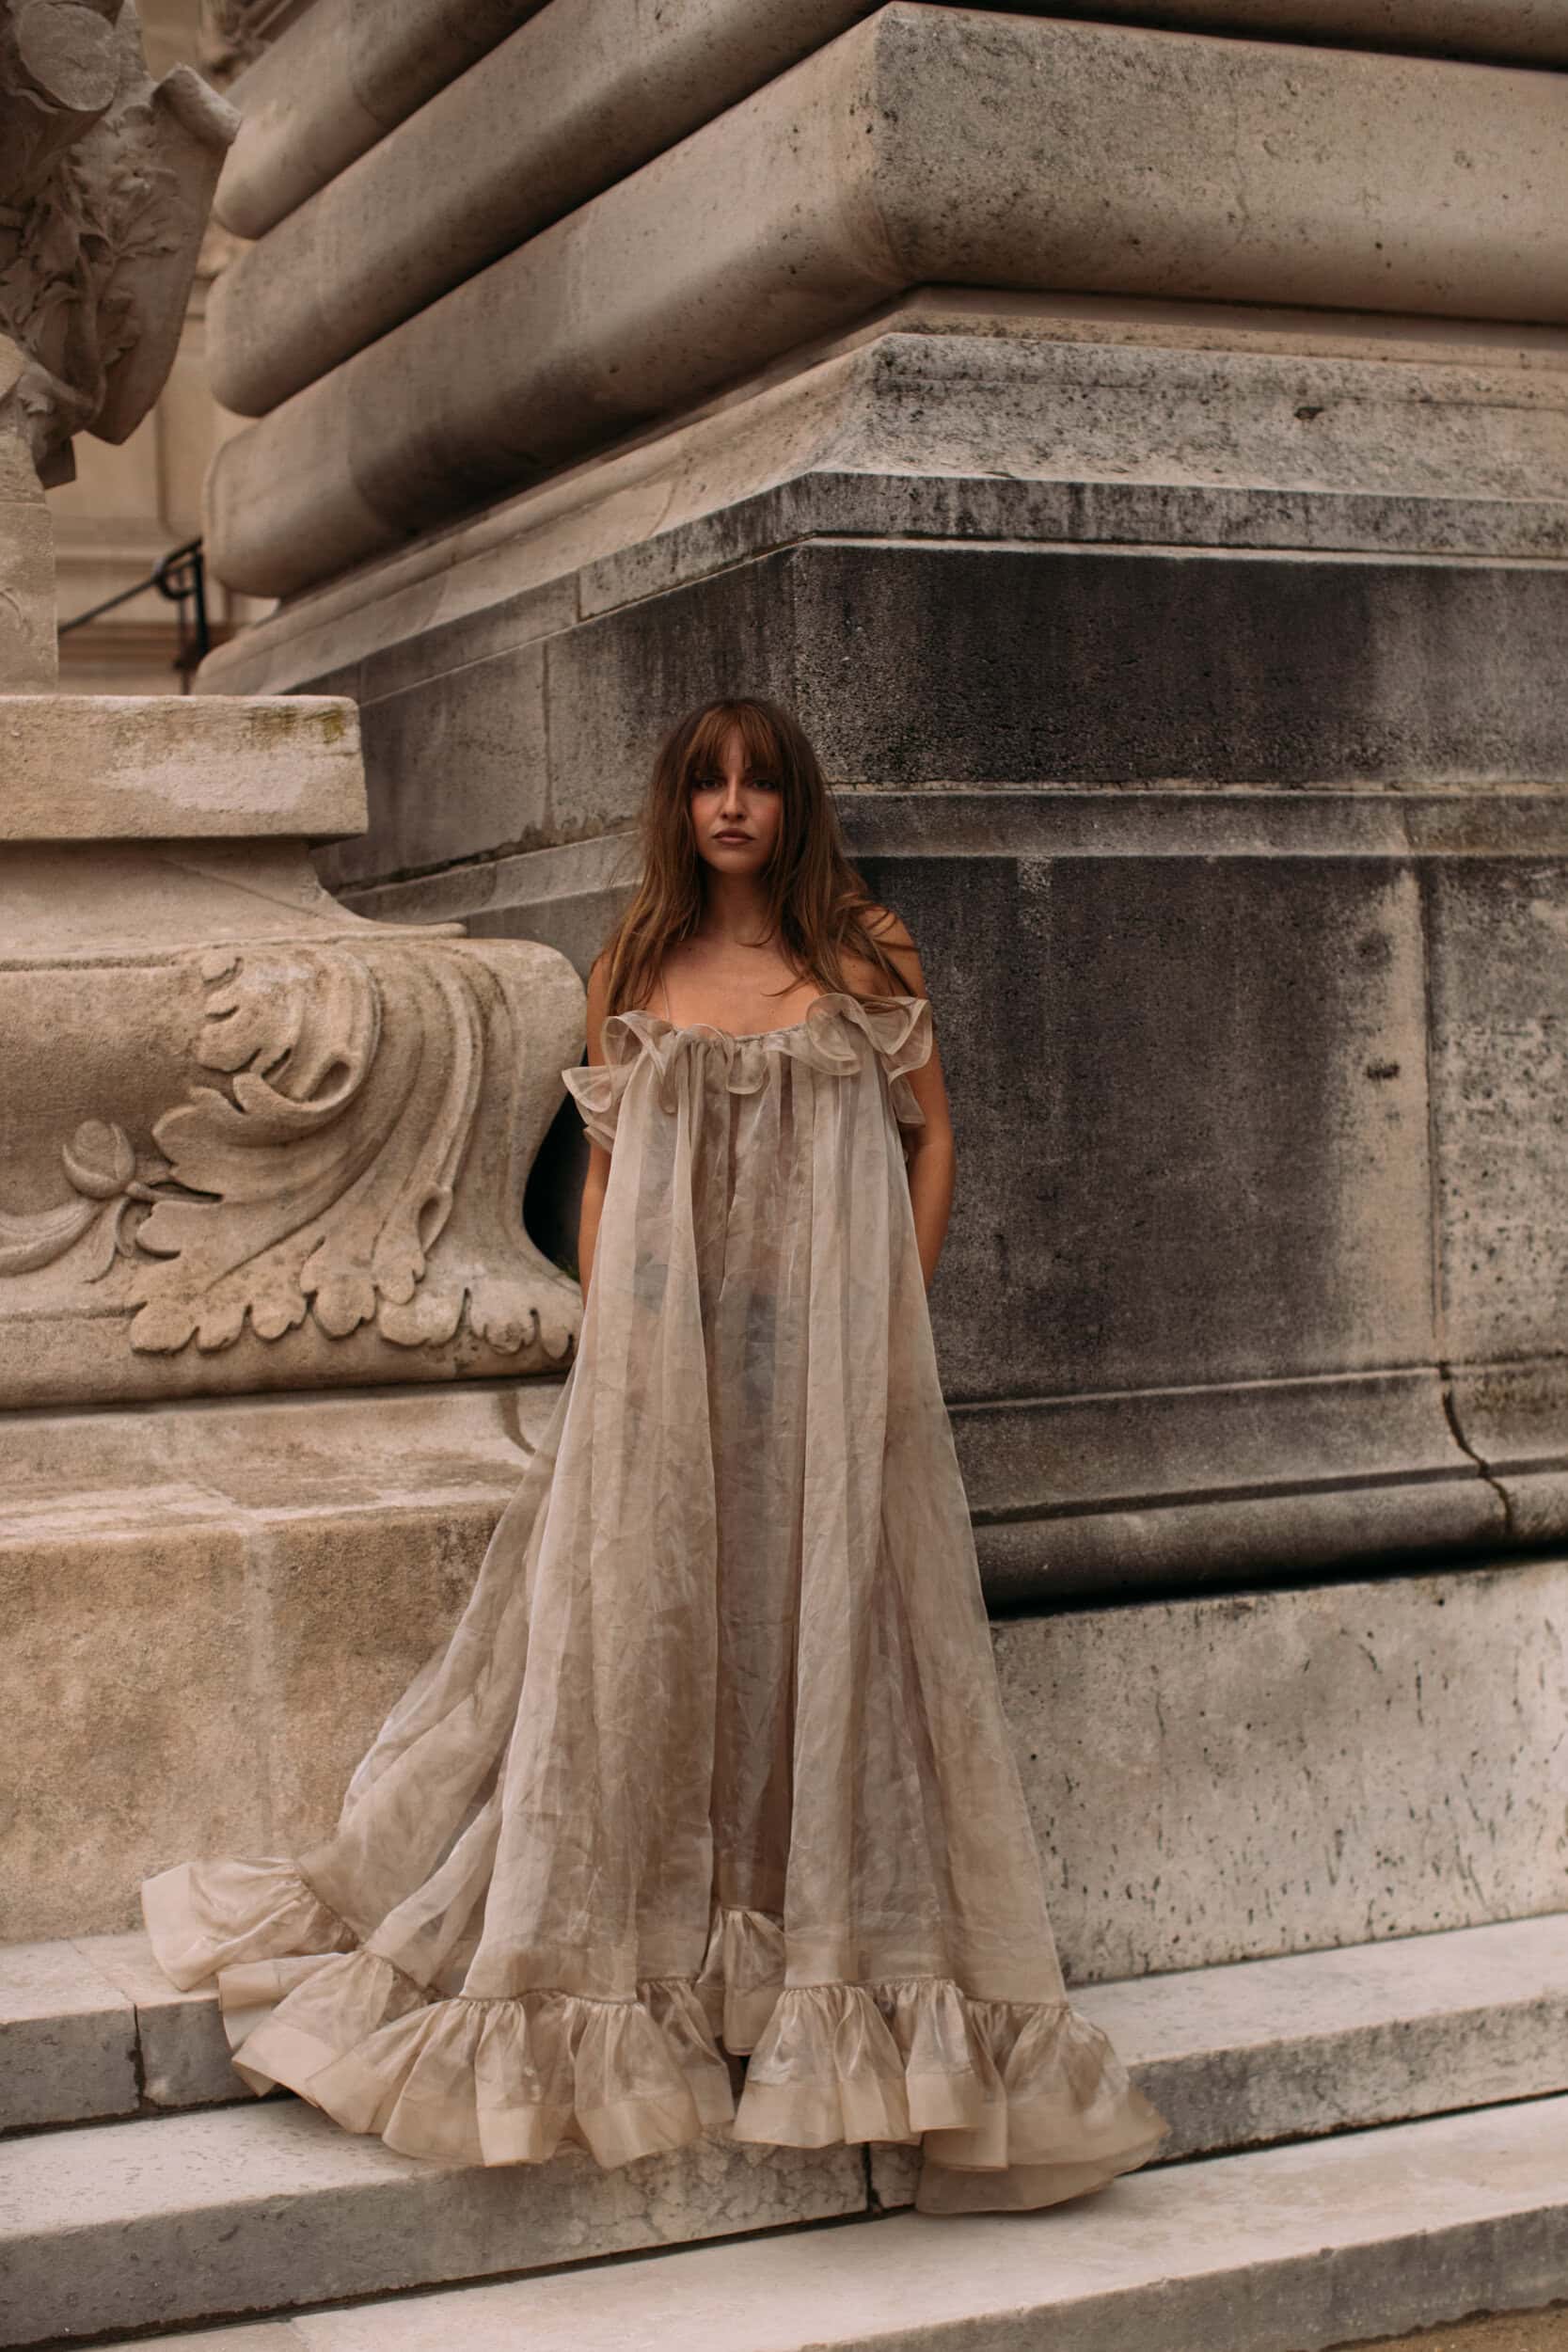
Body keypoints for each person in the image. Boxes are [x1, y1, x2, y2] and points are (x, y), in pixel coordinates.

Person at [141, 695, 1166, 2216]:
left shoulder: (866, 955)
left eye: (758, 784)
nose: (732, 807)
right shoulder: (634, 961)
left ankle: (811, 1962)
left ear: (794, 806)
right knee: (653, 1630)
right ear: (679, 809)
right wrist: (612, 1333)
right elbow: (609, 1171)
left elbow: (930, 1136)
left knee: (823, 1639)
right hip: (662, 1364)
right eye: (706, 784)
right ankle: (663, 1959)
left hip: (829, 1368)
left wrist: (892, 1313)